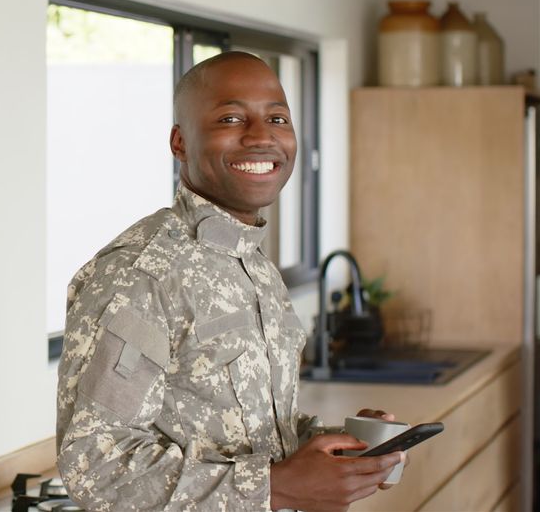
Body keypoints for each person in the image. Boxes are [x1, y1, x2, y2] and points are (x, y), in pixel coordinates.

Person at [55, 51, 404, 512]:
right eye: (231, 118)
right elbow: (96, 467)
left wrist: (335, 445)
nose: (262, 136)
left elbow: (246, 429)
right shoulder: (140, 274)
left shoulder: (253, 264)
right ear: (180, 142)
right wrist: (277, 488)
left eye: (277, 117)